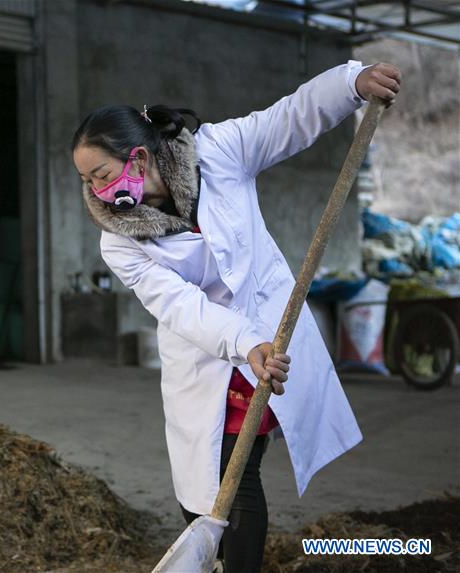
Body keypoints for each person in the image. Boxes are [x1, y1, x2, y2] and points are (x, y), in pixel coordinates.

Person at [71, 61, 401, 572]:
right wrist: (245, 342)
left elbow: (288, 120)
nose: (96, 190)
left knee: (234, 476)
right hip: (206, 353)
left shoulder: (218, 151)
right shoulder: (118, 238)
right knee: (199, 494)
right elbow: (180, 305)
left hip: (270, 336)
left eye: (101, 175)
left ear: (137, 157)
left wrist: (349, 85)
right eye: (87, 181)